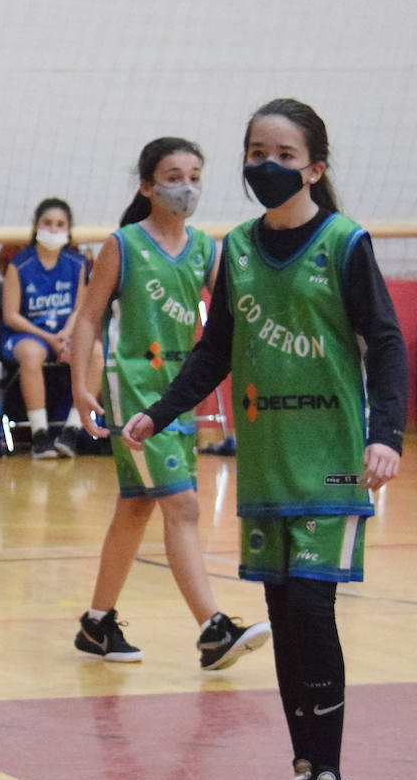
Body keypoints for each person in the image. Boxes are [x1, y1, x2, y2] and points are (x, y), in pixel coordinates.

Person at [122, 99, 409, 780]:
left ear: (315, 167)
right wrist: (160, 410)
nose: (266, 166)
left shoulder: (345, 243)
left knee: (314, 614)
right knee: (284, 623)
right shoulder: (239, 249)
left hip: (337, 463)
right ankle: (304, 770)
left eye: (284, 154)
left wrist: (388, 435)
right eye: (256, 151)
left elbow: (385, 341)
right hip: (268, 461)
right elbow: (215, 349)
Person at [68, 137, 270, 670]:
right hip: (132, 387)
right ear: (147, 185)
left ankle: (96, 624)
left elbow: (234, 314)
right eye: (174, 176)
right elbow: (88, 317)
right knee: (181, 505)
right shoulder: (124, 245)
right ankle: (212, 629)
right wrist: (78, 385)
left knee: (135, 509)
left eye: (195, 176)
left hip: (179, 392)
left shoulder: (207, 249)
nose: (186, 187)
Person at [0, 198, 100, 458]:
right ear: (35, 226)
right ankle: (40, 435)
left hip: (63, 333)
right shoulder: (19, 264)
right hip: (27, 333)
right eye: (47, 223)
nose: (53, 229)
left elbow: (80, 309)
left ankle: (73, 430)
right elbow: (11, 315)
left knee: (97, 352)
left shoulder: (77, 263)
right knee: (33, 353)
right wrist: (50, 338)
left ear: (68, 229)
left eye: (59, 224)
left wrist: (66, 336)